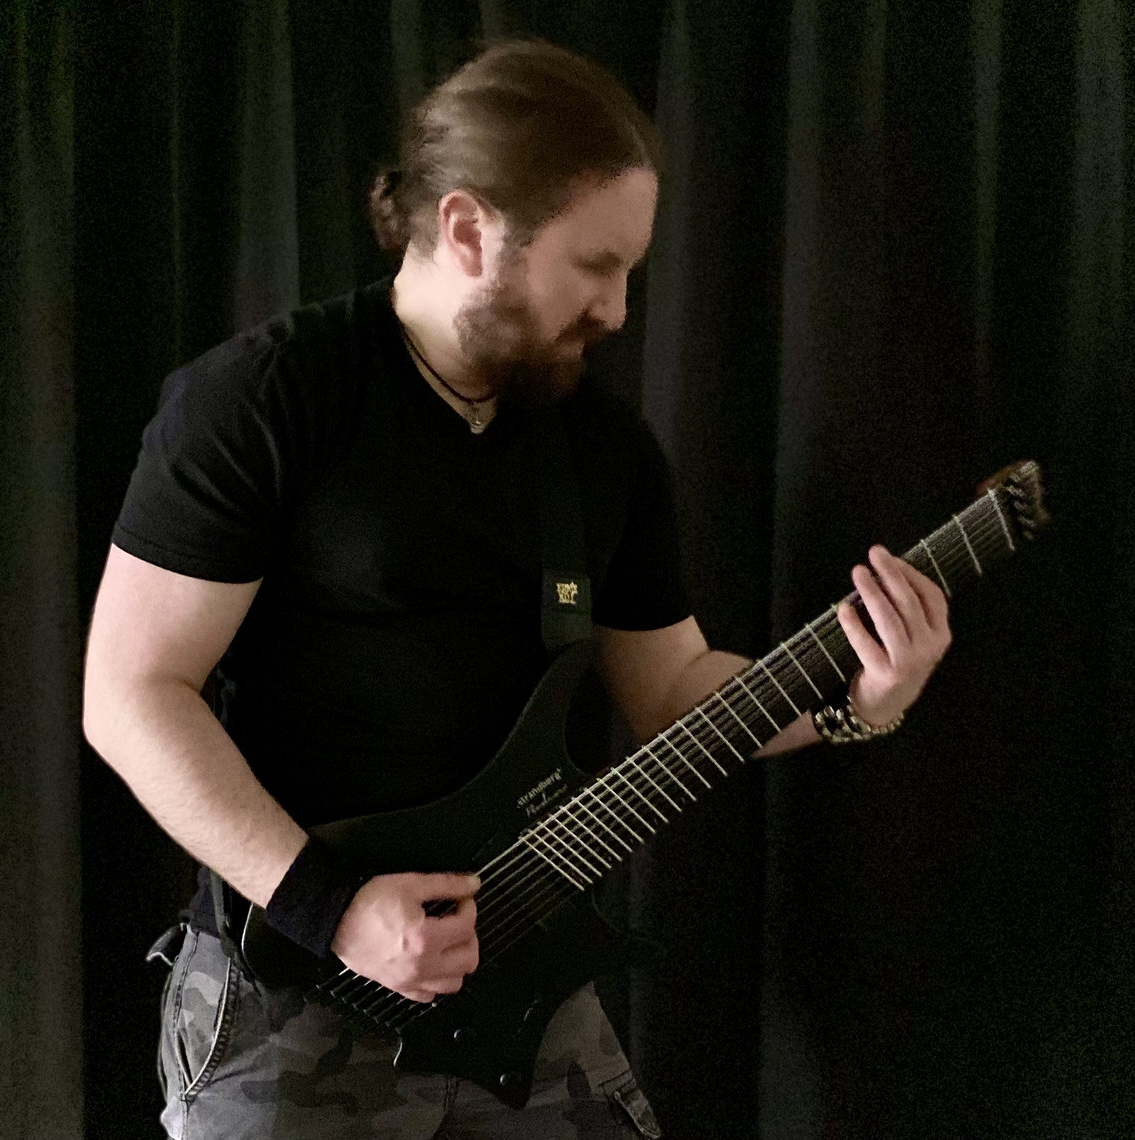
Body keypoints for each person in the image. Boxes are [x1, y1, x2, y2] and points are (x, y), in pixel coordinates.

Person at [81, 39, 951, 1140]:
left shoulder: (601, 449)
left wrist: (855, 702)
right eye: (595, 265)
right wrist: (333, 909)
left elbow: (674, 687)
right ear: (466, 229)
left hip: (522, 974)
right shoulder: (262, 401)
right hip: (292, 991)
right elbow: (131, 692)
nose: (620, 310)